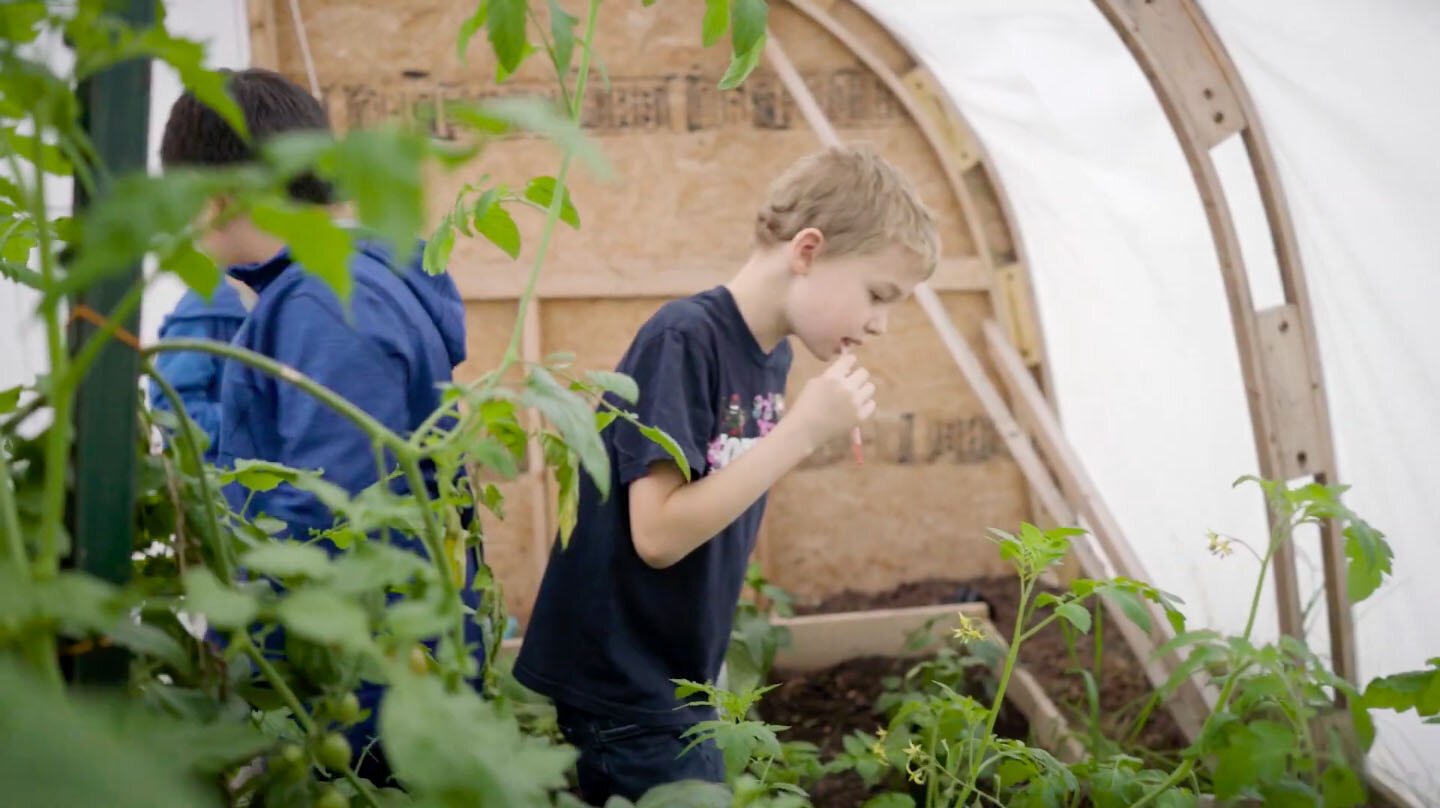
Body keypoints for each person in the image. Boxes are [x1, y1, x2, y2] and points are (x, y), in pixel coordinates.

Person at [513, 144, 940, 803]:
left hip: (675, 677)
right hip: (623, 681)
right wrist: (800, 432)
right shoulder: (684, 338)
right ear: (807, 250)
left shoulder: (767, 357)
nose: (881, 323)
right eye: (878, 294)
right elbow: (657, 534)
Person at [158, 68, 478, 784]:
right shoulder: (339, 284)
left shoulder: (324, 305)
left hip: (351, 700)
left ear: (213, 196)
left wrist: (240, 657)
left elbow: (330, 521)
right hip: (376, 675)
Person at [147, 279, 251, 463]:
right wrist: (256, 426)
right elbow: (175, 412)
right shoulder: (210, 305)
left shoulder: (303, 302)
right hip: (224, 481)